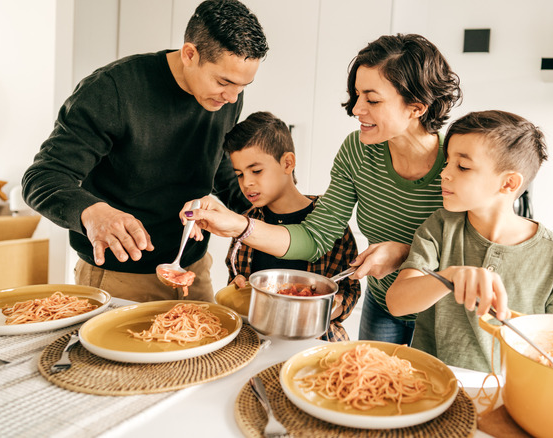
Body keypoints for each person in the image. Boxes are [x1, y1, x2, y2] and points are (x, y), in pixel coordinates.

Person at [181, 33, 461, 344]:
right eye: (356, 95)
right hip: (383, 305)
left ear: (416, 107)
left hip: (445, 312)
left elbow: (478, 255)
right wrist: (238, 224)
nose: (356, 109)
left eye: (372, 99)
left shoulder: (460, 160)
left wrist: (405, 254)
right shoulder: (357, 151)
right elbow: (314, 237)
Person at [21, 0, 268, 302]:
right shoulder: (112, 90)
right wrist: (92, 213)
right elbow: (43, 177)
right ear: (190, 54)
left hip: (193, 270)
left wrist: (268, 215)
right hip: (117, 275)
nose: (232, 98)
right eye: (224, 82)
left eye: (243, 86)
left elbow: (217, 165)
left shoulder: (224, 97)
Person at [385, 110, 553, 373]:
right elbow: (398, 302)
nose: (444, 174)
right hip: (433, 382)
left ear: (508, 183)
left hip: (512, 393)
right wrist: (450, 276)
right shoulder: (440, 227)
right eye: (447, 162)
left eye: (463, 166)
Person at [221, 111, 361, 341]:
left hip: (315, 338)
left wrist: (330, 306)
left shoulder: (329, 221)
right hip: (255, 338)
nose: (247, 183)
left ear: (288, 163)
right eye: (239, 174)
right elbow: (236, 279)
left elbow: (349, 292)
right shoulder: (246, 223)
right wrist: (238, 289)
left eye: (256, 171)